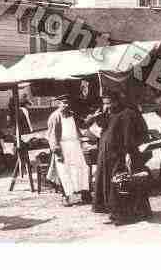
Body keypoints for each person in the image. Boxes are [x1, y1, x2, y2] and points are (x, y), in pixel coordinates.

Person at [92, 90, 151, 225]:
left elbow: (129, 136)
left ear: (116, 101)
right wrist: (97, 117)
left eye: (109, 103)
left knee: (121, 184)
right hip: (107, 156)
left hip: (121, 155)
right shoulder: (108, 113)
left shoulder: (127, 114)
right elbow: (102, 129)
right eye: (104, 103)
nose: (106, 106)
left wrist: (128, 153)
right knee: (108, 184)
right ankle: (114, 213)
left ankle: (124, 215)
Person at [46, 94, 91, 207]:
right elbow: (52, 135)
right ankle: (66, 196)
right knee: (64, 172)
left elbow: (83, 124)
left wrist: (92, 118)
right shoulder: (55, 116)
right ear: (59, 104)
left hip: (75, 145)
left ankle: (84, 193)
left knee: (81, 168)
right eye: (64, 103)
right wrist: (57, 150)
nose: (66, 105)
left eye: (68, 103)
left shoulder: (72, 115)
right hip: (63, 147)